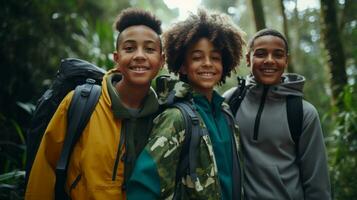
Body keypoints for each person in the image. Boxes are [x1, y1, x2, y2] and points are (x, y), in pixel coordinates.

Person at [25, 8, 164, 199]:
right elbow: (44, 169)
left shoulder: (162, 117)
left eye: (149, 49)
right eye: (129, 48)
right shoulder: (81, 102)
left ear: (162, 60)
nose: (139, 55)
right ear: (116, 58)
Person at [127, 9, 245, 200]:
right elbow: (144, 187)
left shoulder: (226, 113)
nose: (207, 63)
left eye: (215, 58)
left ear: (224, 64)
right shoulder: (175, 117)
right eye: (197, 57)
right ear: (183, 66)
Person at [224, 28, 331, 199]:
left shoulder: (303, 113)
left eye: (278, 55)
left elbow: (317, 181)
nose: (269, 60)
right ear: (248, 60)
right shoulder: (231, 101)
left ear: (286, 61)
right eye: (260, 54)